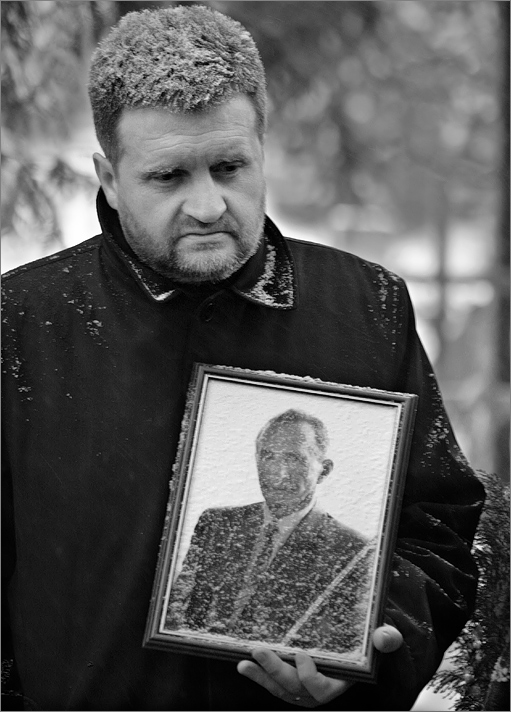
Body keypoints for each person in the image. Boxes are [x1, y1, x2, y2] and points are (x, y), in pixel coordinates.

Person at [1, 5, 485, 711]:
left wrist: (373, 649)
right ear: (109, 176)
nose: (206, 205)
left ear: (262, 149)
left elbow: (438, 528)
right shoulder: (22, 322)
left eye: (229, 168)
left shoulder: (366, 306)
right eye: (168, 177)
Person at [166, 409, 374, 656]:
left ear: (324, 470)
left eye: (294, 459)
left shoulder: (354, 550)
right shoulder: (216, 523)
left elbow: (343, 648)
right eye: (268, 457)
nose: (278, 473)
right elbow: (178, 611)